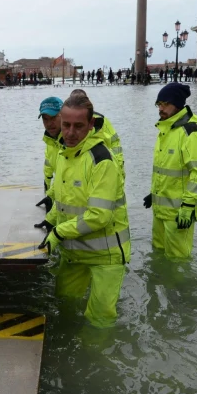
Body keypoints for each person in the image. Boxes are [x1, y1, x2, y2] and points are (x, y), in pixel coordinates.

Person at [37, 90, 129, 328]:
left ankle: (96, 359)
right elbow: (62, 199)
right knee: (64, 305)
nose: (69, 132)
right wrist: (50, 220)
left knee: (99, 319)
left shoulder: (102, 161)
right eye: (65, 124)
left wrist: (58, 233)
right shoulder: (64, 155)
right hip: (74, 253)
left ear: (91, 125)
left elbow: (98, 217)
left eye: (78, 126)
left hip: (105, 257)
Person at [142, 82, 197, 261]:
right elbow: (166, 170)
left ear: (178, 105)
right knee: (158, 254)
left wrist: (188, 207)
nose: (161, 109)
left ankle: (179, 288)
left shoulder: (190, 132)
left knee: (178, 260)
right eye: (159, 104)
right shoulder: (166, 129)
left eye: (166, 104)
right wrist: (154, 193)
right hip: (161, 210)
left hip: (179, 214)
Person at [37, 97, 63, 207]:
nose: (49, 123)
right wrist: (50, 195)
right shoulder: (51, 141)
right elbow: (49, 166)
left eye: (53, 118)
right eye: (45, 119)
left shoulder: (72, 141)